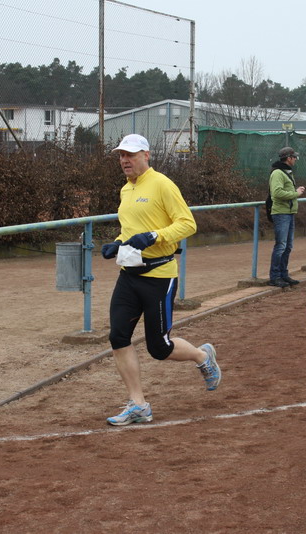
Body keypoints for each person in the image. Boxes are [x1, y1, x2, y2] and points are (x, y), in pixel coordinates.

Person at [100, 133, 221, 426]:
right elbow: (131, 228)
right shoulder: (126, 189)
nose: (124, 160)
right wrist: (118, 242)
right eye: (121, 155)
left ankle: (201, 357)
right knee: (118, 337)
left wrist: (155, 236)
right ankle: (139, 405)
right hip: (129, 275)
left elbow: (188, 224)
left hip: (159, 277)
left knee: (159, 348)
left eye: (130, 154)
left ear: (146, 155)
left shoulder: (162, 184)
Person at [268, 146, 306, 288]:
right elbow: (277, 193)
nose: (295, 159)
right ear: (289, 158)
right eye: (294, 157)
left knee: (288, 246)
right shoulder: (278, 173)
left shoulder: (286, 172)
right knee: (281, 246)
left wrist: (294, 192)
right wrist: (296, 193)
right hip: (281, 213)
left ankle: (283, 274)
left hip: (288, 213)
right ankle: (275, 277)